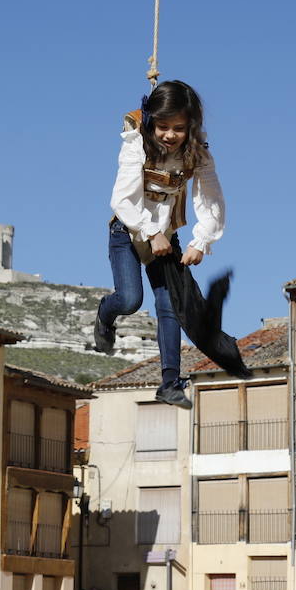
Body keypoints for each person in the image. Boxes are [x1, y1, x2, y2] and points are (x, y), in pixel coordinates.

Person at [93, 79, 225, 409]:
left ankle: (169, 383)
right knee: (130, 299)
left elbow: (211, 200)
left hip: (167, 237)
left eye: (178, 128)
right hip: (128, 231)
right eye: (162, 127)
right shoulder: (136, 143)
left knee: (170, 304)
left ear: (190, 126)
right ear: (152, 122)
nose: (168, 135)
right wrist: (152, 233)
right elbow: (122, 199)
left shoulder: (198, 155)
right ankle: (105, 314)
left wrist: (201, 240)